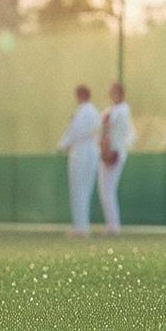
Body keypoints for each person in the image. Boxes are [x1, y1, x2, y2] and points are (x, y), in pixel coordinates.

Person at [57, 85, 101, 237]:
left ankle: (81, 227)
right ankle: (81, 226)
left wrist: (62, 145)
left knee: (79, 190)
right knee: (84, 190)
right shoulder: (93, 111)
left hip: (81, 153)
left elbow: (75, 132)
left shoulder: (83, 112)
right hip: (90, 152)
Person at [98, 82, 136, 235]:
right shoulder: (109, 110)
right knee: (104, 190)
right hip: (105, 151)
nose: (113, 95)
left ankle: (114, 226)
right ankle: (111, 225)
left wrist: (115, 149)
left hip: (115, 152)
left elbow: (122, 131)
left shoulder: (123, 110)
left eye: (115, 92)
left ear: (121, 94)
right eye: (111, 92)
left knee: (108, 189)